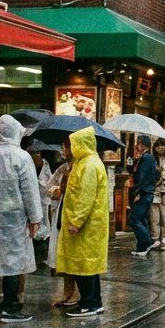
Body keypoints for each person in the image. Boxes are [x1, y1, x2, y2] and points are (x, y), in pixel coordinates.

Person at [0, 115, 45, 323]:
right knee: (12, 261)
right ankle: (10, 307)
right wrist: (35, 218)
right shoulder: (22, 158)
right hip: (13, 218)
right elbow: (30, 191)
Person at [57, 127, 109, 318]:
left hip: (86, 226)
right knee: (89, 265)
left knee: (84, 265)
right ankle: (94, 300)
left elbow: (85, 197)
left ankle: (89, 303)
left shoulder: (88, 165)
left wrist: (76, 221)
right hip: (90, 225)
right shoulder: (86, 162)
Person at [44, 138, 77, 308]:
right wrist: (57, 190)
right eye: (64, 146)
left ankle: (74, 293)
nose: (65, 150)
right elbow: (49, 187)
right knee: (62, 254)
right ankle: (67, 292)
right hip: (61, 213)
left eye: (68, 146)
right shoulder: (62, 169)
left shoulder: (82, 167)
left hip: (74, 216)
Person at [128, 135, 158, 256]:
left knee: (134, 218)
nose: (138, 146)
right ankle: (141, 247)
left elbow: (143, 177)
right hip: (147, 192)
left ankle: (147, 241)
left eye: (139, 143)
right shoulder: (146, 158)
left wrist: (139, 192)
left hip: (144, 192)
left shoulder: (146, 158)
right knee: (142, 218)